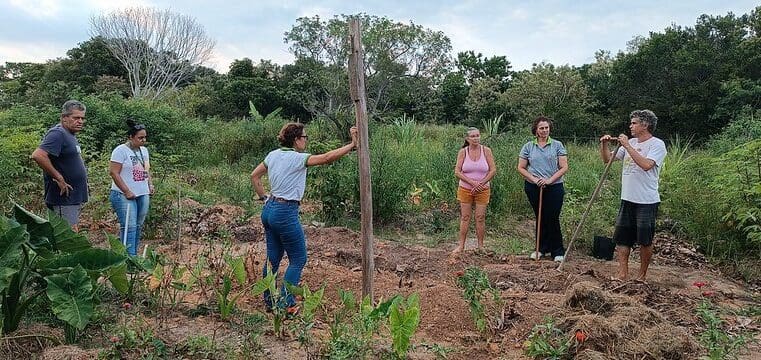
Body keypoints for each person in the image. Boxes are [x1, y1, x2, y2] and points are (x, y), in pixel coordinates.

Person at [251, 123, 358, 311]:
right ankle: (286, 303)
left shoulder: (272, 155)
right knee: (298, 259)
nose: (306, 140)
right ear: (296, 140)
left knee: (273, 259)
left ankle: (269, 301)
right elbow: (326, 158)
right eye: (305, 137)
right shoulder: (297, 158)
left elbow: (255, 176)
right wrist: (351, 145)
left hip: (269, 209)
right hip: (285, 211)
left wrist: (263, 197)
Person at [600, 110, 666, 281]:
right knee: (623, 238)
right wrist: (604, 144)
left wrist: (627, 146)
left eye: (634, 123)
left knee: (645, 240)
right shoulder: (630, 142)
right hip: (627, 198)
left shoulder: (657, 144)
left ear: (645, 125)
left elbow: (646, 165)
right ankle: (623, 274)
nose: (631, 126)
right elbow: (608, 160)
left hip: (646, 200)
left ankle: (641, 276)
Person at [31, 100, 88, 231]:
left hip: (72, 197)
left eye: (82, 118)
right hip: (63, 197)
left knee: (71, 233)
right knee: (67, 235)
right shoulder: (58, 133)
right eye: (76, 118)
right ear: (64, 117)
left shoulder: (70, 135)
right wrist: (59, 178)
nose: (80, 121)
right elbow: (38, 155)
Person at [517, 116, 569, 262]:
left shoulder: (557, 145)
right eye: (541, 128)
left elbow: (564, 166)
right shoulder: (528, 146)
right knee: (540, 216)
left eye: (546, 127)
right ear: (536, 130)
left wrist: (549, 180)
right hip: (533, 186)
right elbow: (521, 167)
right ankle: (541, 248)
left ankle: (557, 250)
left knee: (552, 217)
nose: (544, 130)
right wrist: (534, 179)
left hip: (554, 186)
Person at [109, 120, 154, 256]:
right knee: (129, 226)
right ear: (130, 137)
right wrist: (126, 191)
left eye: (144, 137)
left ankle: (132, 255)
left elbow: (146, 170)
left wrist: (150, 184)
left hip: (142, 193)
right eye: (140, 138)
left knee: (138, 226)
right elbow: (114, 172)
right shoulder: (120, 151)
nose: (143, 140)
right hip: (123, 194)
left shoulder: (144, 151)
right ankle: (129, 258)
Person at [453, 127, 496, 253]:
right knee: (465, 217)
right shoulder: (463, 152)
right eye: (473, 136)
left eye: (478, 135)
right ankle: (461, 246)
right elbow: (457, 171)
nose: (476, 138)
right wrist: (472, 183)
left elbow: (493, 170)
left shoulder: (486, 151)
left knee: (480, 217)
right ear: (467, 138)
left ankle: (481, 246)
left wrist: (481, 184)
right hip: (465, 188)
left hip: (483, 189)